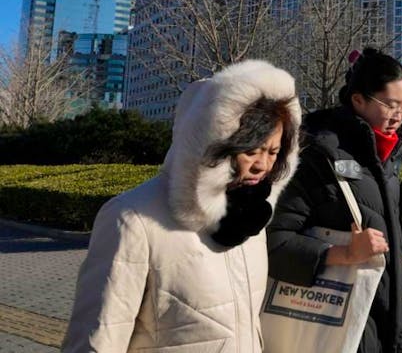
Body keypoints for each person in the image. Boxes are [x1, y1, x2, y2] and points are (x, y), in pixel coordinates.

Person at [62, 60, 301, 352]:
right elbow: (99, 336)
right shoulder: (132, 219)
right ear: (210, 143)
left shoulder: (253, 218)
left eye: (273, 152)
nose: (262, 165)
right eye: (250, 150)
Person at [268, 47, 402, 353]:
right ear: (358, 99)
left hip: (386, 317)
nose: (399, 117)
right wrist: (343, 253)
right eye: (391, 106)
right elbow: (273, 243)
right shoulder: (316, 153)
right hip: (333, 323)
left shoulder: (388, 155)